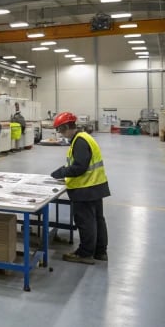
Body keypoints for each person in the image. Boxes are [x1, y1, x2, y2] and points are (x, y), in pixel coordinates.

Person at [50, 111, 110, 264]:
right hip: (96, 185)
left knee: (86, 221)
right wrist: (64, 169)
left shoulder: (80, 141)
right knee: (97, 219)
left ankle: (85, 254)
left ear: (68, 127)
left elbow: (79, 167)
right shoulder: (83, 138)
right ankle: (100, 251)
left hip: (85, 188)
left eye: (61, 130)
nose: (61, 133)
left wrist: (62, 172)